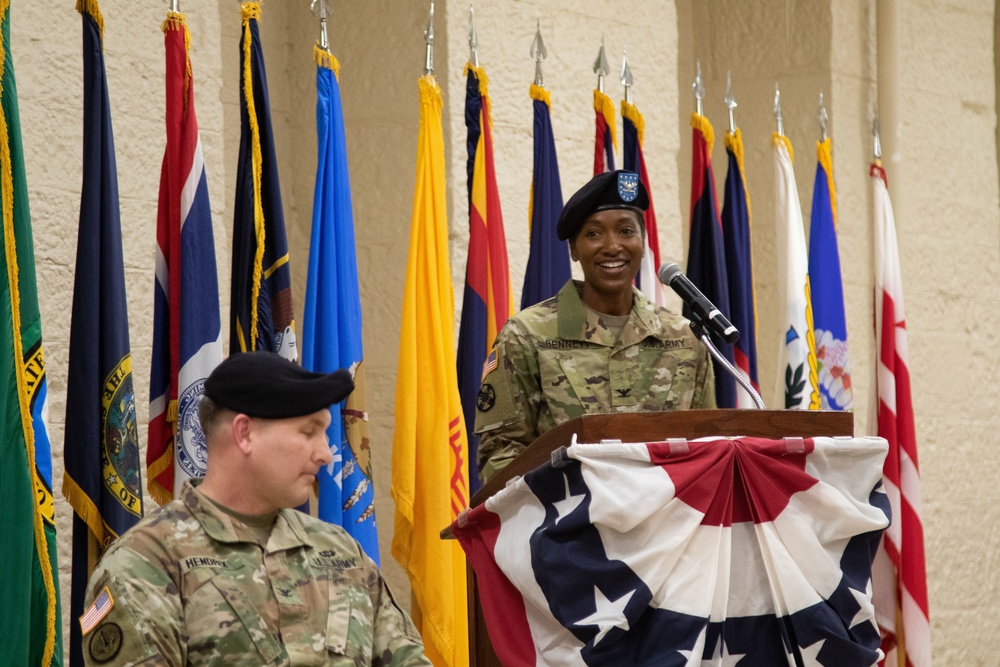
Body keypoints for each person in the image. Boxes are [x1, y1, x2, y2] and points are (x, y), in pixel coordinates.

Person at [79, 351, 431, 667]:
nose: (326, 453)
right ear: (244, 433)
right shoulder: (145, 565)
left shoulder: (340, 552)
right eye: (309, 432)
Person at [475, 170, 716, 484]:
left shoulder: (684, 337)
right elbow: (499, 455)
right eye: (593, 234)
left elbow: (710, 443)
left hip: (670, 526)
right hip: (568, 524)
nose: (612, 246)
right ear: (574, 250)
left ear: (643, 243)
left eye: (626, 231)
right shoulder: (528, 335)